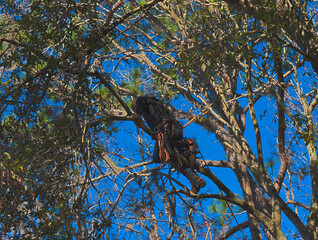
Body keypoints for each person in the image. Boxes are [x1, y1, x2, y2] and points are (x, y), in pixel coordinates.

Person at [132, 95, 206, 193]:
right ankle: (194, 179)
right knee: (176, 159)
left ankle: (187, 149)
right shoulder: (150, 107)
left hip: (168, 130)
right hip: (172, 129)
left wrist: (137, 115)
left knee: (157, 157)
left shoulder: (146, 101)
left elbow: (141, 101)